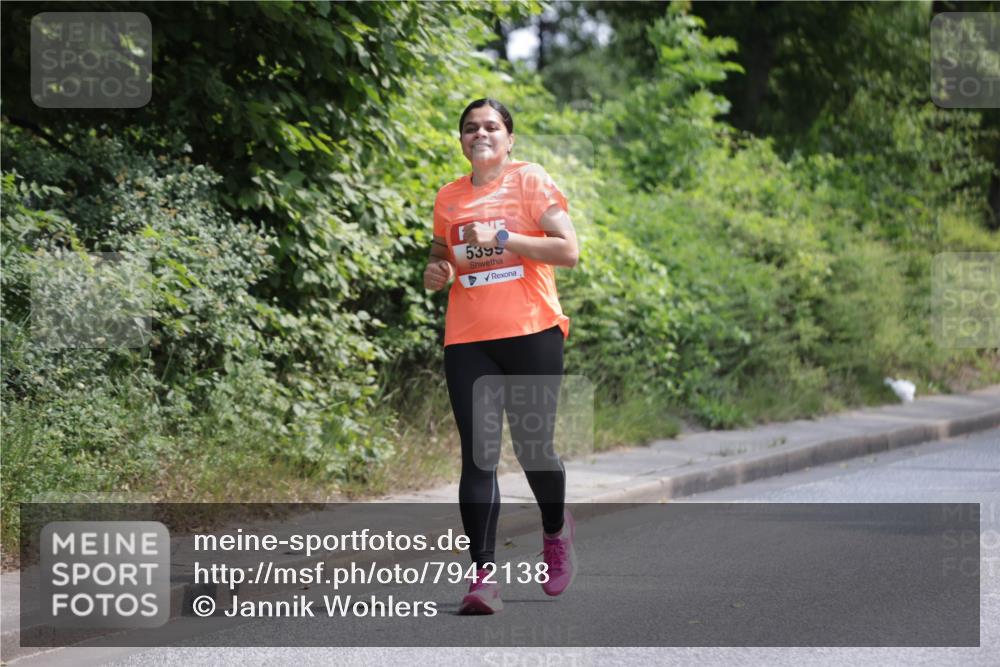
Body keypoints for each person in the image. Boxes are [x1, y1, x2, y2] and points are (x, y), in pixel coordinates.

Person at [423, 98, 580, 615]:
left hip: (532, 330)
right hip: (469, 338)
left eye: (491, 126)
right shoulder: (448, 197)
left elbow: (568, 250)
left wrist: (508, 237)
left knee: (534, 448)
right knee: (478, 454)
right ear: (462, 141)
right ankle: (483, 577)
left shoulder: (530, 180)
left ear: (509, 138)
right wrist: (436, 273)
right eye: (471, 128)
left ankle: (555, 532)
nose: (480, 134)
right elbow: (441, 255)